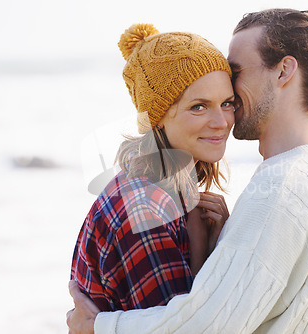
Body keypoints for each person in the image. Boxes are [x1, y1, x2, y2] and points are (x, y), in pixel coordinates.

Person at [67, 8, 308, 333]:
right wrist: (221, 247)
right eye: (199, 105)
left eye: (236, 72)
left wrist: (98, 327)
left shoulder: (281, 189)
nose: (224, 115)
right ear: (159, 115)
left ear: (284, 71)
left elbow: (203, 323)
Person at [70, 23, 234, 312]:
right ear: (157, 117)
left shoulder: (175, 189)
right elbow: (180, 328)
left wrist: (208, 248)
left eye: (227, 103)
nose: (221, 122)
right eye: (199, 106)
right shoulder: (146, 208)